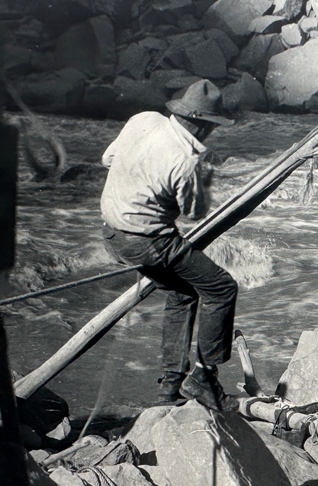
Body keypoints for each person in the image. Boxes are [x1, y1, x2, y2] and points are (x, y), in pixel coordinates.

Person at [100, 79, 239, 411]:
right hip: (148, 242)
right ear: (204, 126)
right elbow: (194, 214)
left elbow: (108, 159)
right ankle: (204, 378)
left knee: (185, 290)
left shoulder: (144, 120)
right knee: (222, 288)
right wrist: (204, 178)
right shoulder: (185, 160)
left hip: (111, 233)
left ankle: (170, 386)